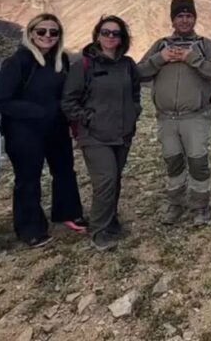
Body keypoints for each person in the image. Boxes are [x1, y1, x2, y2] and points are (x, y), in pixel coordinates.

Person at [0, 14, 86, 248]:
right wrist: (38, 111)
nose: (47, 36)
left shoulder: (61, 60)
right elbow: (1, 99)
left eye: (53, 32)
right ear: (31, 33)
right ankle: (30, 228)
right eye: (41, 31)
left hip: (56, 128)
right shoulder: (17, 62)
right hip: (23, 132)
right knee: (28, 179)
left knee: (65, 171)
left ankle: (67, 213)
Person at [138, 0, 211, 227]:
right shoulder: (160, 45)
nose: (184, 20)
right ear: (172, 19)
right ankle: (175, 203)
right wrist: (160, 58)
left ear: (194, 18)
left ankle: (200, 206)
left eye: (188, 16)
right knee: (173, 162)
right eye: (180, 16)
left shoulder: (205, 45)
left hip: (195, 117)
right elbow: (138, 72)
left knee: (198, 162)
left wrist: (191, 59)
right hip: (166, 118)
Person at [61, 16, 141, 251]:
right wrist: (89, 118)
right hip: (94, 135)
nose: (110, 37)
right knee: (105, 180)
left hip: (122, 133)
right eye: (106, 32)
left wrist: (133, 112)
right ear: (97, 35)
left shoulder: (127, 64)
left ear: (122, 38)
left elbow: (135, 93)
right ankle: (98, 229)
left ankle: (111, 220)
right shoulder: (84, 65)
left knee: (115, 178)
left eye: (115, 34)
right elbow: (68, 101)